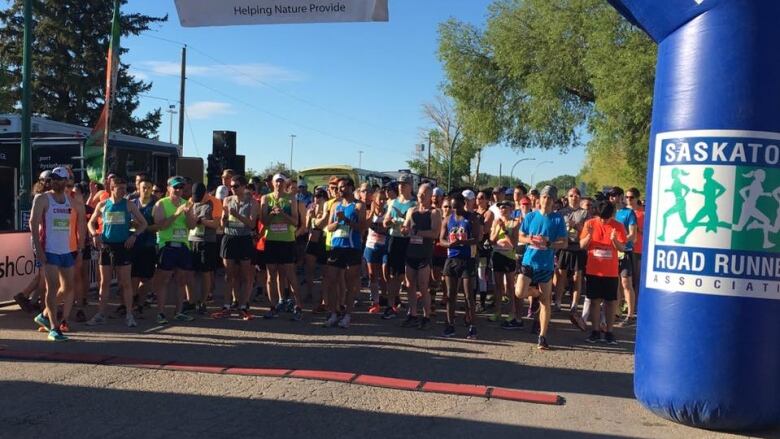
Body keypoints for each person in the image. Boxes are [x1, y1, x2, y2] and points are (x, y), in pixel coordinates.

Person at [29, 167, 83, 341]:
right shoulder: (42, 199)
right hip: (49, 250)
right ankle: (54, 327)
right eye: (53, 179)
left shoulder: (70, 200)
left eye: (59, 179)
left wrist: (80, 247)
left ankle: (44, 315)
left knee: (67, 288)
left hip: (66, 250)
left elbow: (82, 219)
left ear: (66, 181)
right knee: (51, 288)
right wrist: (38, 250)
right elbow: (33, 224)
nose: (56, 182)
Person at [87, 175, 148, 327]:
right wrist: (94, 234)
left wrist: (134, 235)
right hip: (107, 246)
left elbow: (144, 223)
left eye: (124, 188)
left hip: (124, 246)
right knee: (104, 283)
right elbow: (90, 222)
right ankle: (101, 314)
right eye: (119, 188)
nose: (123, 191)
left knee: (125, 283)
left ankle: (129, 315)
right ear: (112, 189)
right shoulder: (102, 205)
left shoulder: (129, 205)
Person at [514, 185, 567, 350]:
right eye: (544, 197)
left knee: (546, 302)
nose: (546, 200)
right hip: (529, 261)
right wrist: (530, 240)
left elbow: (564, 242)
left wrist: (549, 243)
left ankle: (542, 336)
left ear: (553, 201)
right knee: (519, 292)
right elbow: (520, 236)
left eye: (550, 198)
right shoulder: (530, 216)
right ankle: (535, 293)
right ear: (539, 199)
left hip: (546, 265)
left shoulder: (558, 219)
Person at [580, 199, 628, 344]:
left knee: (610, 303)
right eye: (601, 217)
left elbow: (622, 248)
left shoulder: (618, 226)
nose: (604, 220)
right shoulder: (590, 224)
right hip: (594, 270)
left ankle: (609, 332)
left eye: (606, 218)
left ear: (612, 215)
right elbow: (582, 245)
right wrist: (589, 236)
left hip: (610, 272)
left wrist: (614, 240)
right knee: (594, 301)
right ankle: (595, 331)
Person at [152, 176, 197, 324]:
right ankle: (160, 313)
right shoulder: (161, 204)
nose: (179, 190)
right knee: (163, 280)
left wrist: (189, 213)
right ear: (168, 188)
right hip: (167, 245)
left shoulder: (186, 203)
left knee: (181, 280)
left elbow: (191, 226)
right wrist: (177, 213)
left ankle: (179, 312)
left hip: (183, 245)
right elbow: (160, 226)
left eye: (181, 187)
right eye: (176, 187)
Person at [323, 177, 366, 328]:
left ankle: (348, 315)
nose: (340, 189)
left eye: (343, 186)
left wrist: (346, 220)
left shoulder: (359, 205)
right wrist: (337, 222)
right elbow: (328, 227)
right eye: (338, 187)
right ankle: (333, 313)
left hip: (352, 247)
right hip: (337, 246)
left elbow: (361, 228)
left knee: (350, 283)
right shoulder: (336, 206)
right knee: (331, 281)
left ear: (351, 187)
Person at [261, 174, 304, 320]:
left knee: (290, 274)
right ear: (272, 183)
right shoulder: (266, 198)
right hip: (272, 240)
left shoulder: (291, 198)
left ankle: (298, 307)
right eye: (276, 181)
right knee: (271, 275)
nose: (279, 184)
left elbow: (295, 221)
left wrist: (283, 214)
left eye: (281, 181)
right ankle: (273, 307)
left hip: (287, 241)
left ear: (285, 183)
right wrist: (272, 213)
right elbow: (264, 221)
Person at [440, 192, 482, 339]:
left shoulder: (471, 219)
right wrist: (449, 244)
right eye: (453, 208)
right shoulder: (447, 220)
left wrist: (462, 242)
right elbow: (441, 240)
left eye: (457, 207)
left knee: (468, 295)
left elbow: (477, 239)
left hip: (467, 259)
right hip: (451, 259)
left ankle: (472, 326)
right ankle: (450, 324)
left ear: (463, 204)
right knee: (450, 295)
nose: (455, 210)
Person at [218, 175, 259, 320]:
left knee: (246, 275)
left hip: (244, 239)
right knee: (229, 275)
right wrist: (223, 219)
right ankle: (227, 305)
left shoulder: (252, 202)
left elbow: (252, 224)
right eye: (231, 187)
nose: (232, 189)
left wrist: (237, 215)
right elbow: (223, 224)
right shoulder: (227, 200)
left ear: (243, 187)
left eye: (235, 186)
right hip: (229, 238)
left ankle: (243, 305)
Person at [400, 183, 441, 330]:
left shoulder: (435, 213)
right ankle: (412, 314)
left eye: (424, 195)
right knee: (410, 285)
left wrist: (418, 232)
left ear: (430, 196)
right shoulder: (412, 210)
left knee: (423, 286)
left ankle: (426, 316)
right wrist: (404, 230)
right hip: (411, 252)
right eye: (419, 194)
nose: (421, 197)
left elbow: (435, 233)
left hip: (424, 254)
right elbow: (406, 227)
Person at [382, 174, 416, 319]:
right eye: (400, 184)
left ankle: (411, 308)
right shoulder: (393, 202)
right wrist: (390, 221)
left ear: (410, 186)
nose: (401, 187)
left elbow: (411, 225)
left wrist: (400, 222)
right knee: (392, 275)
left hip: (407, 241)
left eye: (404, 184)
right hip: (393, 239)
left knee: (406, 276)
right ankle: (391, 305)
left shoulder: (414, 203)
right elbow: (385, 222)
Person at [554, 187, 589, 329]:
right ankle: (558, 302)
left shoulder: (585, 213)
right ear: (567, 197)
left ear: (580, 197)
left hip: (578, 247)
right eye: (571, 195)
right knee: (561, 275)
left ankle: (574, 304)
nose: (573, 197)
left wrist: (577, 225)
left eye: (576, 195)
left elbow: (587, 232)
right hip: (564, 247)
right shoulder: (561, 212)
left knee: (577, 277)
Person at [189, 183, 220, 315]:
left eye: (200, 197)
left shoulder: (215, 202)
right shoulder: (191, 201)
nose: (198, 199)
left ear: (206, 193)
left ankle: (203, 301)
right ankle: (190, 300)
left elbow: (216, 224)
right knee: (189, 272)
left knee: (205, 272)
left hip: (207, 241)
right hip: (191, 239)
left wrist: (201, 221)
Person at [490, 200, 522, 329]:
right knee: (498, 286)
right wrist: (498, 229)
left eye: (505, 207)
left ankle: (512, 312)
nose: (503, 209)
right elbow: (492, 240)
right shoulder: (496, 221)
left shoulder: (515, 223)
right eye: (501, 208)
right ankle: (497, 311)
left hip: (509, 256)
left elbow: (514, 243)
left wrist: (505, 230)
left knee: (510, 286)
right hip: (497, 255)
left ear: (511, 209)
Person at [609, 187, 638, 327]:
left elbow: (633, 235)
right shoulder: (610, 213)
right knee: (615, 284)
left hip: (625, 252)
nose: (612, 198)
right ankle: (616, 312)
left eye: (614, 195)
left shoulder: (629, 212)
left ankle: (630, 315)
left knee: (626, 283)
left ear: (621, 196)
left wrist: (620, 241)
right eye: (610, 195)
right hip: (612, 253)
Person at [131, 177, 158, 316]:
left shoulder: (156, 206)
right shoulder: (132, 204)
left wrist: (143, 227)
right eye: (143, 187)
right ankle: (132, 302)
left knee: (146, 278)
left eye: (148, 187)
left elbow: (158, 226)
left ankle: (140, 303)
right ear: (138, 189)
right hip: (133, 245)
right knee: (133, 277)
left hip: (148, 245)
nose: (146, 190)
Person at [364, 188, 388, 314]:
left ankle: (388, 300)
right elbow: (365, 225)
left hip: (384, 246)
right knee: (372, 275)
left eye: (384, 199)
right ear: (374, 199)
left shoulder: (388, 212)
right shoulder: (369, 212)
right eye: (380, 199)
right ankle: (375, 302)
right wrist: (372, 212)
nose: (382, 201)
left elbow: (387, 228)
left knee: (385, 274)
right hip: (371, 246)